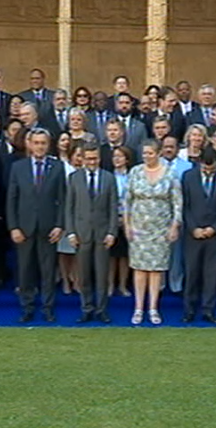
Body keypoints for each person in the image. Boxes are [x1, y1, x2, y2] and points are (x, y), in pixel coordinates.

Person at [7, 128, 66, 323]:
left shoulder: (57, 167)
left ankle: (48, 308)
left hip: (48, 228)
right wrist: (13, 227)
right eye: (36, 143)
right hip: (24, 228)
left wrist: (59, 225)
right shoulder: (18, 167)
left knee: (48, 271)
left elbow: (62, 198)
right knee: (25, 271)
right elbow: (12, 199)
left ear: (48, 145)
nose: (40, 147)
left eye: (43, 143)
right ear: (29, 144)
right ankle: (27, 308)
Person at [124, 139, 182, 325]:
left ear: (158, 153)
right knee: (140, 269)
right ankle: (139, 308)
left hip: (161, 229)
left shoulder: (170, 174)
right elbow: (127, 201)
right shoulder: (135, 172)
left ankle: (153, 308)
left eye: (150, 153)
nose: (146, 156)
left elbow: (177, 203)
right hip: (139, 228)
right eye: (144, 153)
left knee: (156, 270)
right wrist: (127, 225)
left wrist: (174, 226)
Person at [65, 143, 119, 323]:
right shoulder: (74, 178)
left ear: (99, 158)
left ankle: (102, 309)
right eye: (88, 158)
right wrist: (71, 233)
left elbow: (113, 208)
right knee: (84, 275)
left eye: (95, 158)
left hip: (103, 234)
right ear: (83, 159)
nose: (92, 162)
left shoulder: (109, 178)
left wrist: (112, 232)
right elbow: (69, 208)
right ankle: (86, 308)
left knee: (102, 275)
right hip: (82, 234)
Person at [181, 146, 216, 324]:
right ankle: (189, 310)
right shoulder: (188, 177)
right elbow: (185, 206)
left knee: (211, 273)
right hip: (192, 233)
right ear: (199, 162)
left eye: (212, 169)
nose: (208, 171)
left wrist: (215, 228)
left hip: (215, 233)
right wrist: (193, 228)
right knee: (192, 272)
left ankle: (208, 310)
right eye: (205, 168)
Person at [161, 135, 193, 293]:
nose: (168, 149)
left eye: (171, 147)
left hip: (178, 216)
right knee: (159, 251)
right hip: (157, 216)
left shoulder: (187, 167)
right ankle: (159, 285)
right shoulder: (154, 165)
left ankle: (176, 284)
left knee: (177, 252)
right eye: (165, 146)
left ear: (177, 149)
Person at [56, 134, 83, 294]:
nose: (80, 159)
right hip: (66, 214)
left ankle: (77, 280)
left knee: (79, 251)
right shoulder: (63, 169)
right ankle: (66, 280)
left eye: (82, 156)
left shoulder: (89, 171)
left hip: (83, 216)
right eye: (77, 155)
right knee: (64, 251)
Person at [109, 146, 133, 297]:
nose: (117, 159)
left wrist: (125, 218)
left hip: (129, 220)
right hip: (110, 220)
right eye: (114, 156)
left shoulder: (132, 176)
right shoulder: (107, 176)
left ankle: (123, 285)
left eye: (120, 156)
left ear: (127, 159)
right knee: (111, 255)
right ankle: (110, 285)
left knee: (124, 255)